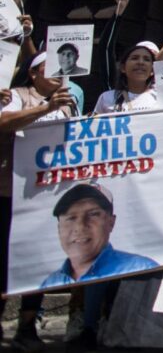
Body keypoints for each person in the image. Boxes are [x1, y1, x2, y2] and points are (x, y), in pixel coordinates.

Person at [0, 52, 77, 351]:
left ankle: (27, 324)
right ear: (32, 74)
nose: (57, 73)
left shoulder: (67, 103)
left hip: (48, 197)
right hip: (10, 192)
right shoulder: (17, 96)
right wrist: (46, 107)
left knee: (40, 262)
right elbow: (5, 122)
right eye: (48, 68)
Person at [40, 183, 158, 288]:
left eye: (93, 214)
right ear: (59, 228)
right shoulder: (51, 283)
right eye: (71, 218)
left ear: (111, 222)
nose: (80, 227)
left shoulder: (142, 270)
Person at [93, 43, 159, 114]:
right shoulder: (106, 98)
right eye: (134, 58)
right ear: (123, 68)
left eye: (147, 59)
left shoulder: (161, 98)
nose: (140, 62)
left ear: (152, 70)